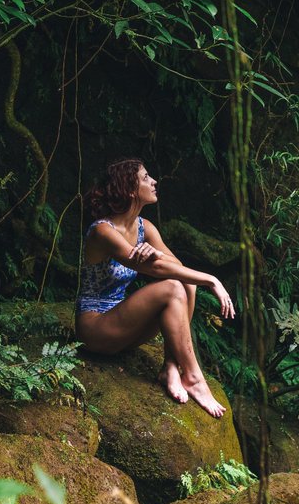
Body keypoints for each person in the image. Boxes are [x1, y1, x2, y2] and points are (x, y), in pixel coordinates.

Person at [75, 158, 236, 417]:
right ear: (130, 190)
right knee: (174, 287)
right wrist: (212, 279)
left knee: (187, 285)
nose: (154, 181)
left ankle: (171, 366)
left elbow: (176, 265)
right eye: (146, 178)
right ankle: (194, 377)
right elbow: (156, 270)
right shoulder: (102, 232)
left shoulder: (144, 228)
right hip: (96, 327)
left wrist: (157, 255)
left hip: (124, 328)